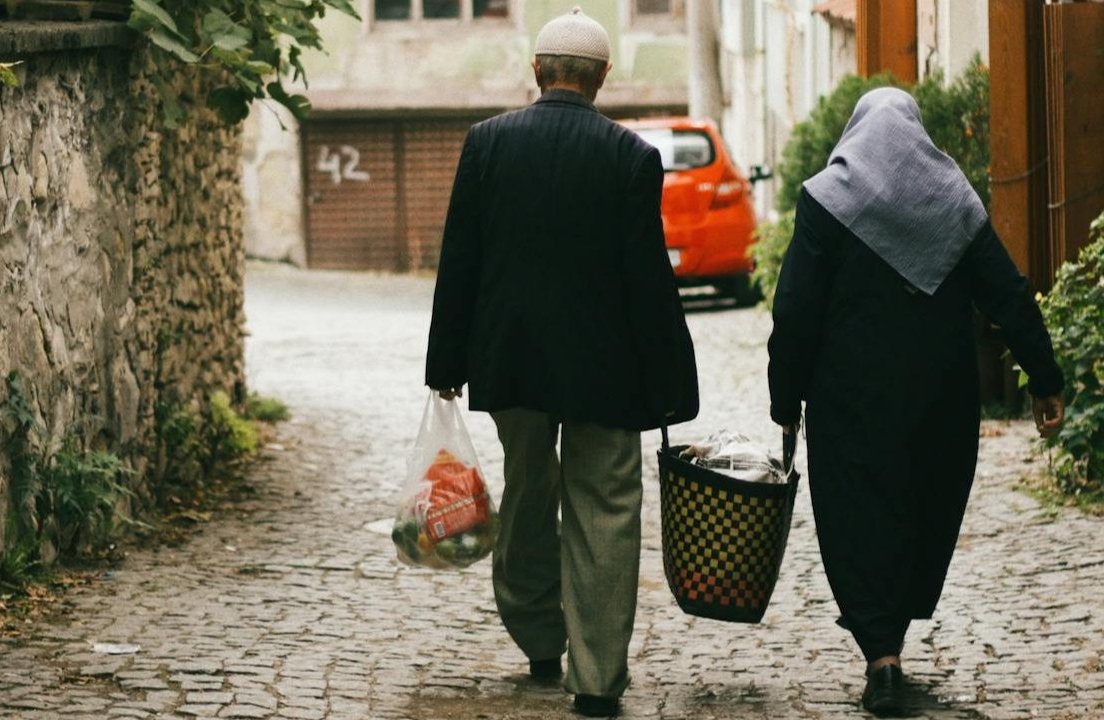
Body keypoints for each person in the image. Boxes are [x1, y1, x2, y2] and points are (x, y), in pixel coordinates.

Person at [424, 7, 699, 717]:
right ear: (602, 77)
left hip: (511, 361)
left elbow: (461, 260)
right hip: (605, 372)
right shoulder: (629, 156)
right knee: (604, 507)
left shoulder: (487, 143)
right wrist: (670, 384)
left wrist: (445, 362)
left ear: (537, 71)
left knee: (526, 489)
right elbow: (647, 279)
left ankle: (540, 636)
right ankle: (598, 678)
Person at [766, 87, 1065, 716]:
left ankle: (881, 653)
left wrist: (784, 400)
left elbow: (794, 310)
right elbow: (1007, 293)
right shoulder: (950, 198)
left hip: (847, 399)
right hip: (940, 398)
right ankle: (890, 641)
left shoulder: (826, 200)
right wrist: (1045, 381)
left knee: (857, 514)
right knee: (918, 507)